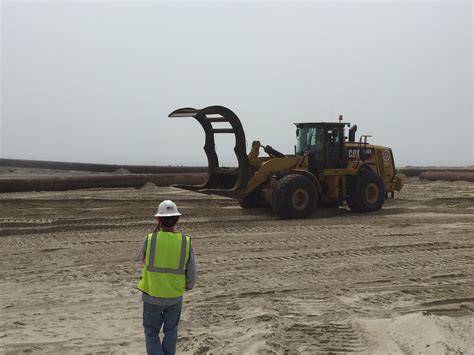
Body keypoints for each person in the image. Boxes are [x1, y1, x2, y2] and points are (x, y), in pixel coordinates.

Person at [137, 200, 196, 355]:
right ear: (177, 219)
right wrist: (186, 287)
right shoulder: (185, 242)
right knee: (171, 332)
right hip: (174, 296)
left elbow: (141, 259)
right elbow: (191, 274)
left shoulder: (149, 239)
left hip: (151, 295)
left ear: (158, 220)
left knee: (151, 331)